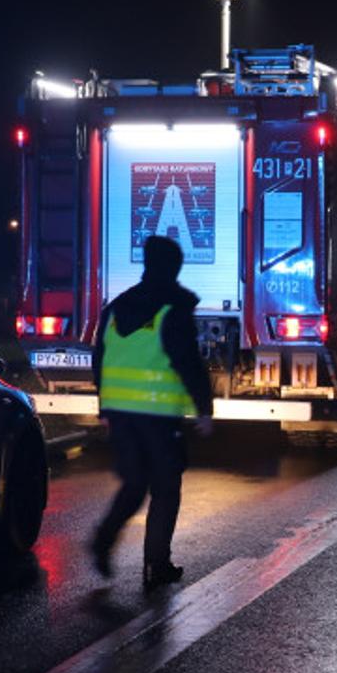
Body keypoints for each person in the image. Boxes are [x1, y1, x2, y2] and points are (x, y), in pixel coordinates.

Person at [90, 235, 215, 589]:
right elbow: (188, 362)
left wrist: (104, 404)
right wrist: (204, 409)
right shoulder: (173, 308)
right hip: (159, 415)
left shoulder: (115, 307)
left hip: (120, 414)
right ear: (175, 266)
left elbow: (99, 358)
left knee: (134, 484)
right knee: (165, 488)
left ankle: (102, 541)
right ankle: (156, 567)